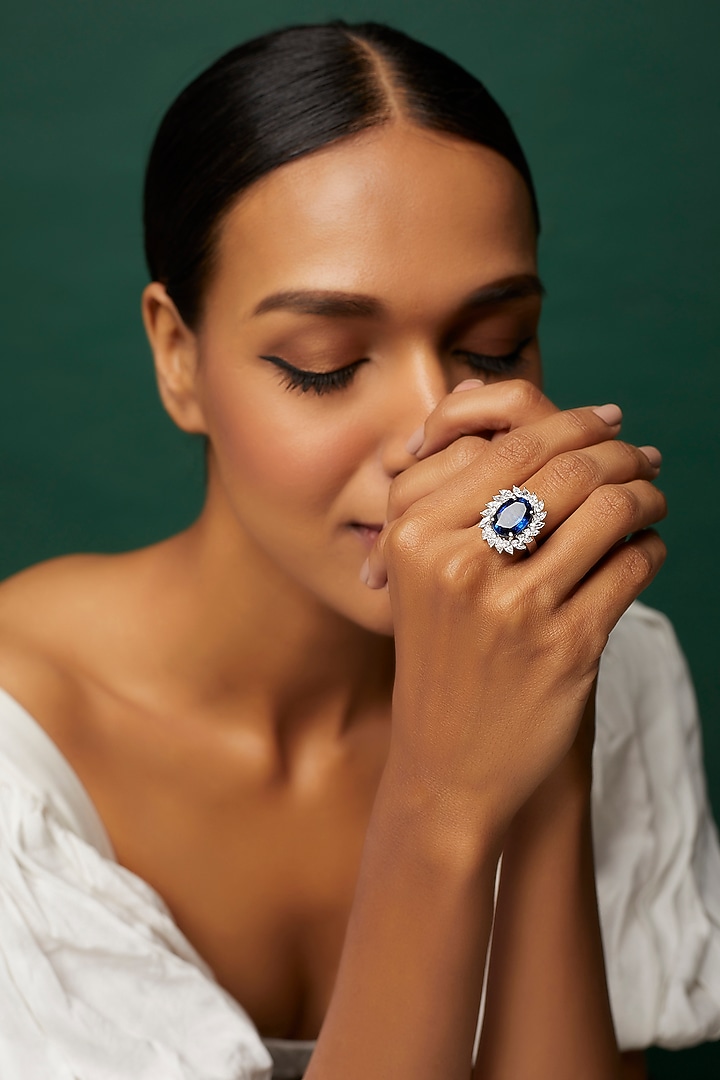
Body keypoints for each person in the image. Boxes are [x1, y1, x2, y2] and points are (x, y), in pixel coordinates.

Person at [0, 20, 718, 1080]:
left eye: (493, 346)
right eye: (325, 365)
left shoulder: (589, 645)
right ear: (179, 358)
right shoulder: (19, 762)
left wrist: (553, 739)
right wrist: (445, 795)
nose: (438, 429)